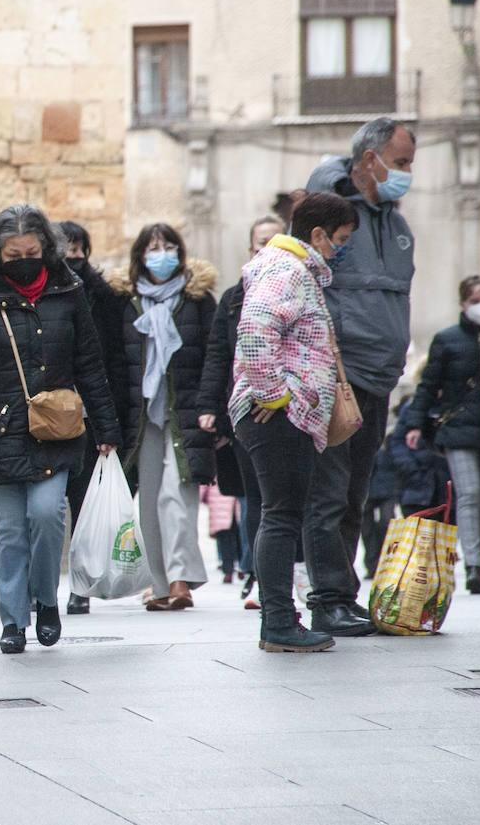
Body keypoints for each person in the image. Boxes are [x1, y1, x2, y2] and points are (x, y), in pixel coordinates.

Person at [0, 204, 121, 655]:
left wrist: (107, 426)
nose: (23, 259)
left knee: (48, 515)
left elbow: (91, 364)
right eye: (13, 254)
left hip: (56, 427)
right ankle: (13, 620)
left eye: (31, 251)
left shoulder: (68, 290)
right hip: (0, 427)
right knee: (11, 531)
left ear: (46, 249)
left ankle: (45, 599)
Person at [301, 117, 416, 635]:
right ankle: (327, 599)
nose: (408, 173)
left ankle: (342, 595)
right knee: (329, 494)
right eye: (403, 161)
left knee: (355, 495)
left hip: (377, 380)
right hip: (337, 379)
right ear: (371, 160)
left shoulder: (394, 221)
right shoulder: (332, 213)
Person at [232, 191, 359, 651]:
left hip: (286, 412)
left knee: (282, 514)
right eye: (339, 240)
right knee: (282, 516)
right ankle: (279, 623)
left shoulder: (291, 268)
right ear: (318, 234)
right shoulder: (287, 270)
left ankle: (281, 621)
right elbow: (254, 329)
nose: (340, 250)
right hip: (278, 414)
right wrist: (277, 394)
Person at [111, 223, 217, 611]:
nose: (162, 254)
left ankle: (179, 579)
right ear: (140, 255)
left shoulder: (197, 299)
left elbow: (214, 354)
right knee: (148, 501)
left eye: (169, 246)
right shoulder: (124, 300)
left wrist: (212, 407)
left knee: (177, 495)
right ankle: (157, 583)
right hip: (140, 416)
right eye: (154, 247)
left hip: (185, 412)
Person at [196, 213, 287, 607]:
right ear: (250, 248)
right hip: (245, 409)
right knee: (254, 498)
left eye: (274, 240)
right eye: (260, 242)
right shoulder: (234, 298)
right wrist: (209, 407)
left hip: (292, 407)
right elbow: (217, 353)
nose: (266, 248)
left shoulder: (297, 289)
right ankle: (258, 574)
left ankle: (287, 577)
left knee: (286, 499)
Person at [403, 275, 480, 594]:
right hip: (458, 428)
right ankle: (473, 564)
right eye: (474, 300)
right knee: (470, 492)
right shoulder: (446, 340)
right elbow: (428, 384)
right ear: (463, 303)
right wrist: (415, 424)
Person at [56, 219, 125, 615]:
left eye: (78, 248)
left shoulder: (104, 297)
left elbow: (110, 366)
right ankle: (40, 584)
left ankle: (79, 585)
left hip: (87, 420)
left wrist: (107, 425)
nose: (72, 256)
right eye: (65, 248)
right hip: (46, 417)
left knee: (83, 508)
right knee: (44, 512)